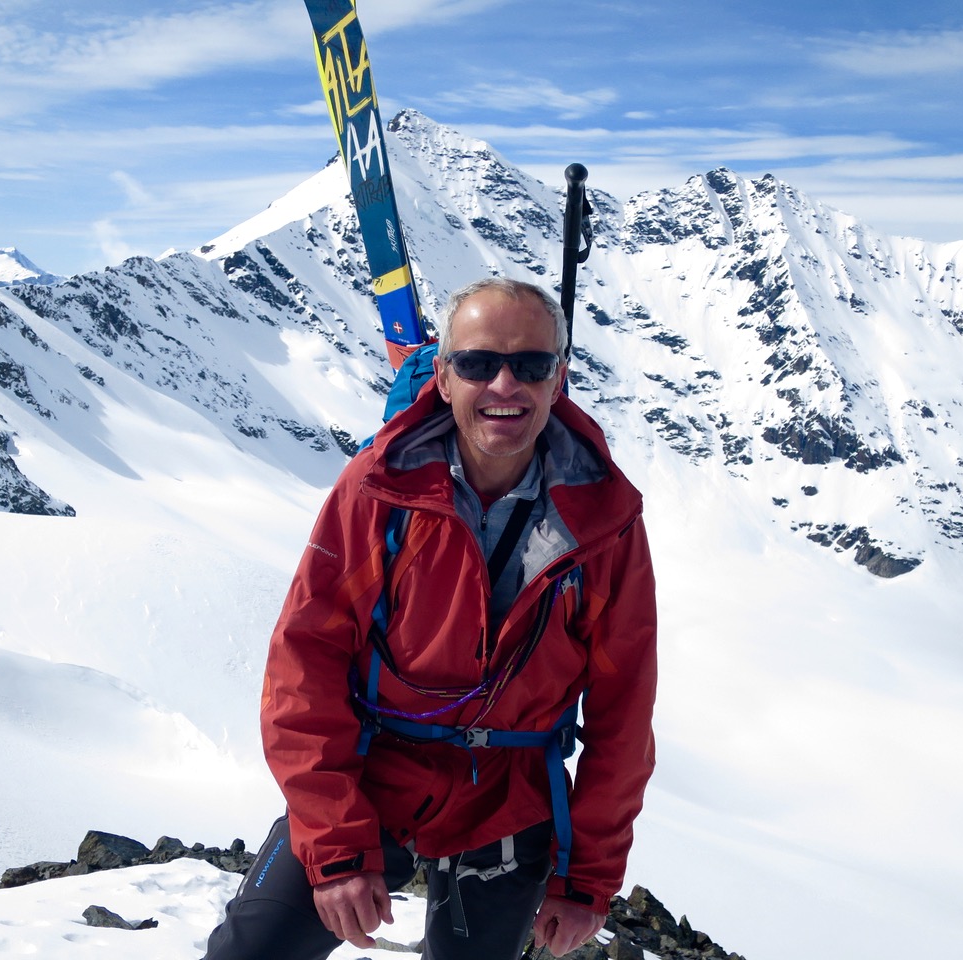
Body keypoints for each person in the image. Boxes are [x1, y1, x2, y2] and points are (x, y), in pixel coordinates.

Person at [204, 278, 657, 960]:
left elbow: (623, 712)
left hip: (512, 799)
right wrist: (333, 848)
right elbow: (306, 662)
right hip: (374, 771)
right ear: (443, 377)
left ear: (559, 379)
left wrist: (587, 880)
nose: (505, 384)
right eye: (477, 364)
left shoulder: (606, 523)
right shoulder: (377, 490)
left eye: (530, 365)